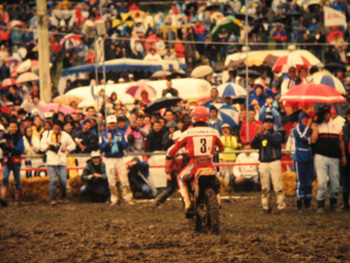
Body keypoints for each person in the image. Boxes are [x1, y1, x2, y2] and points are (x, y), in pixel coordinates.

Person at [167, 106, 224, 217]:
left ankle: (188, 204)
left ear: (194, 118)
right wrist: (213, 149)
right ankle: (218, 200)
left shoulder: (188, 133)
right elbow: (221, 148)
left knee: (180, 178)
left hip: (194, 165)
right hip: (209, 164)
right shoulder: (214, 132)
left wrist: (170, 154)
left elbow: (175, 148)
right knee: (216, 180)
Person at [311, 106, 347, 213]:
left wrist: (343, 156)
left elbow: (341, 142)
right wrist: (316, 125)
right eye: (324, 113)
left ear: (330, 114)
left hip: (334, 157)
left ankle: (333, 203)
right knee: (322, 181)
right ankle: (320, 204)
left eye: (327, 113)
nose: (325, 115)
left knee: (335, 181)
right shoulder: (318, 125)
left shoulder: (337, 125)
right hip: (321, 156)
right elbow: (313, 140)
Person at [251, 114, 286, 213]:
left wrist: (265, 133)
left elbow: (275, 141)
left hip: (275, 161)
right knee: (265, 187)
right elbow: (253, 145)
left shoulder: (277, 133)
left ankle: (281, 206)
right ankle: (265, 207)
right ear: (264, 123)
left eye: (270, 122)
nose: (268, 124)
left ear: (273, 123)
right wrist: (257, 135)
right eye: (266, 122)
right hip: (263, 162)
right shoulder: (261, 135)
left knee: (278, 186)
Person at [99, 115, 133, 205]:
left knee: (124, 179)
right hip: (109, 159)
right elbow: (101, 147)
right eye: (110, 123)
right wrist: (108, 143)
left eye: (113, 123)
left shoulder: (121, 133)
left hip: (119, 158)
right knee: (111, 181)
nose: (112, 125)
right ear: (107, 124)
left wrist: (119, 141)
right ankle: (114, 198)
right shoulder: (103, 135)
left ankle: (127, 198)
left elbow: (125, 145)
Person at [40, 120, 76, 206]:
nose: (57, 130)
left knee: (63, 180)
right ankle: (53, 199)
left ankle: (63, 196)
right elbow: (41, 146)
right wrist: (47, 146)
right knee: (53, 180)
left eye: (58, 129)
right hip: (51, 160)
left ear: (61, 128)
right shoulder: (47, 134)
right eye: (55, 128)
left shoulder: (65, 135)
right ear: (53, 127)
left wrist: (67, 148)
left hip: (62, 161)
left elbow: (73, 145)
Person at [154, 130, 185, 206]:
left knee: (184, 189)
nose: (179, 141)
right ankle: (157, 202)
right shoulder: (171, 150)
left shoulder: (185, 148)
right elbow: (168, 163)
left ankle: (187, 204)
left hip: (183, 171)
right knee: (169, 190)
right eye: (178, 139)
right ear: (174, 140)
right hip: (175, 172)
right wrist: (168, 173)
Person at [0, 119, 24, 207]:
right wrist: (2, 143)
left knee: (17, 180)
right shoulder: (4, 136)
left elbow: (21, 149)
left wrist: (12, 147)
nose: (13, 128)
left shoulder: (19, 137)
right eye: (11, 127)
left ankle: (18, 199)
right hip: (6, 160)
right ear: (8, 127)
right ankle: (3, 198)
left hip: (16, 160)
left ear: (17, 128)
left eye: (14, 127)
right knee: (5, 178)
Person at [294, 111, 314, 211]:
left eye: (307, 118)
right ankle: (299, 203)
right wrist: (308, 127)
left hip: (309, 158)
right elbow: (303, 137)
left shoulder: (311, 129)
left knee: (309, 181)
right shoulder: (296, 129)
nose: (305, 120)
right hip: (300, 158)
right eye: (303, 118)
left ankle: (307, 202)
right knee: (300, 180)